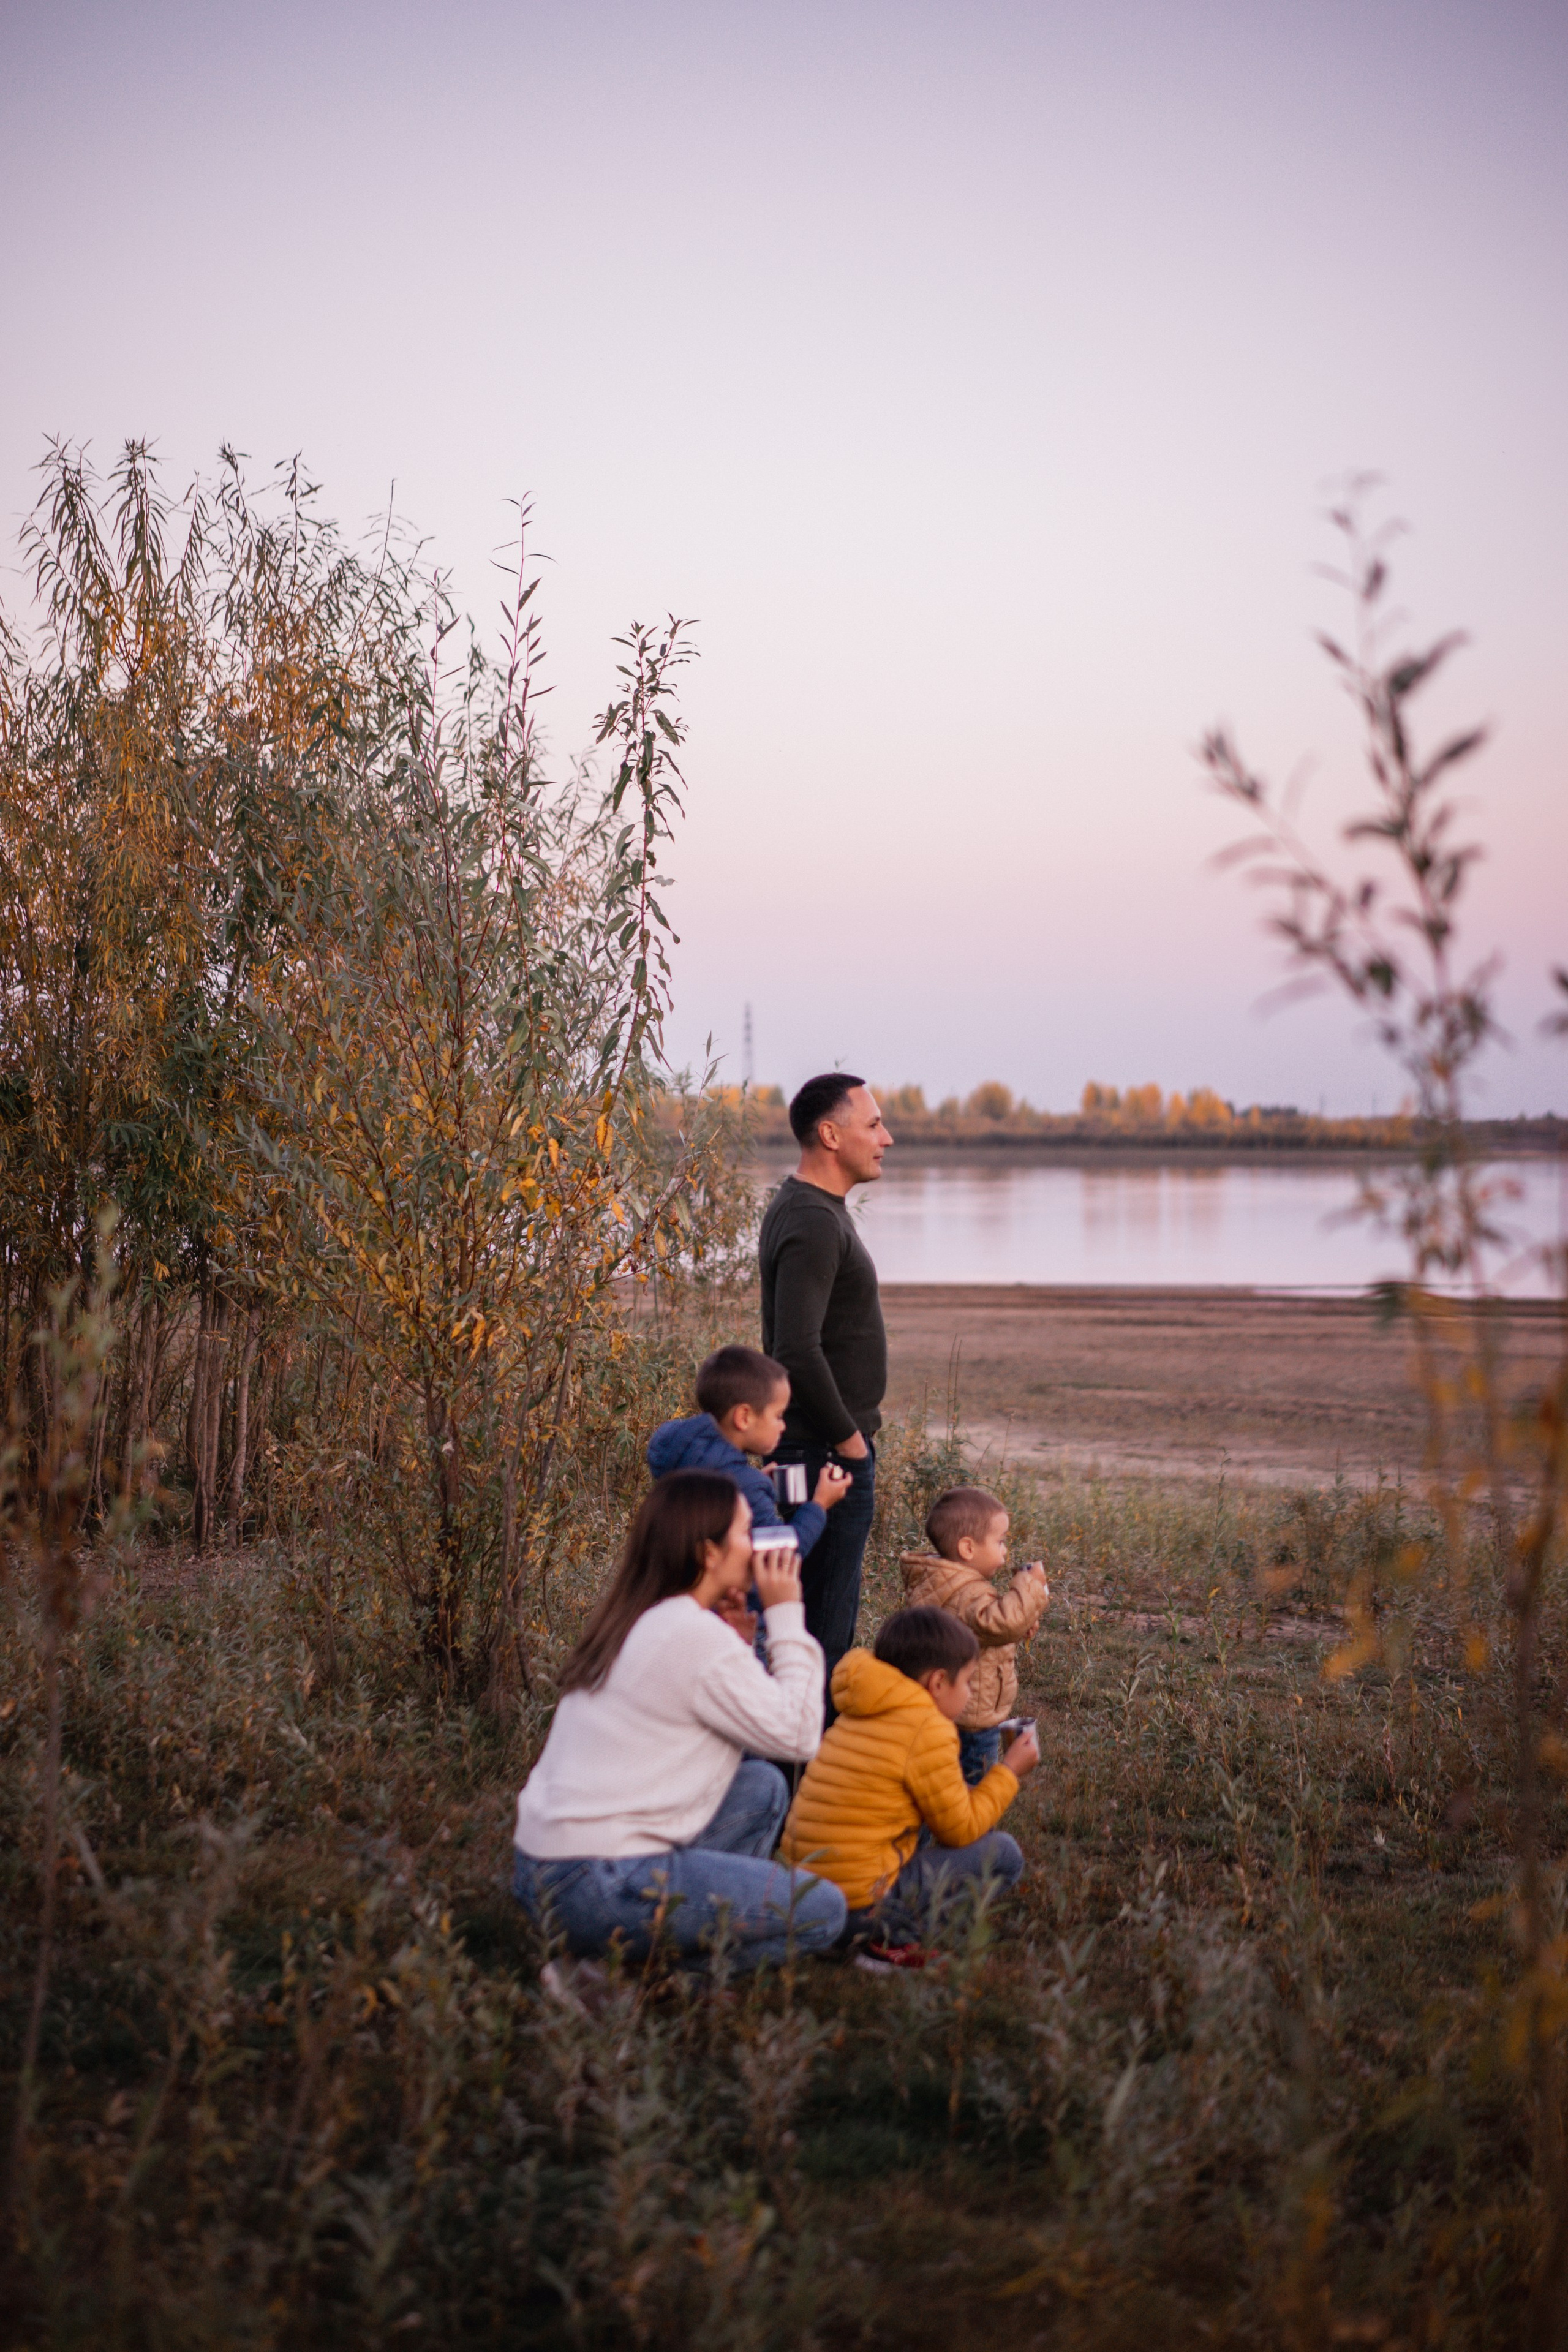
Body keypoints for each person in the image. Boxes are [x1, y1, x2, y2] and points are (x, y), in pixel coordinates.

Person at [511, 1471, 847, 1983]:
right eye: (745, 1531)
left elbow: (739, 1721)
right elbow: (799, 1736)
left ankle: (612, 1954)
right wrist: (786, 1615)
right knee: (823, 1910)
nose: (757, 1543)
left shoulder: (648, 1617)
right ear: (709, 1553)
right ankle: (628, 1978)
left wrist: (739, 1644)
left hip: (548, 1871)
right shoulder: (692, 1635)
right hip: (599, 1881)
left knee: (762, 1788)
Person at [779, 1604, 1039, 1969]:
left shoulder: (862, 1709)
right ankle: (892, 1941)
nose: (969, 1693)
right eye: (967, 1682)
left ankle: (851, 1934)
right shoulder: (926, 1728)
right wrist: (1009, 1772)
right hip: (859, 1908)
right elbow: (960, 1830)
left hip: (800, 1897)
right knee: (1004, 1854)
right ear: (938, 1683)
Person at [759, 1073, 893, 1697]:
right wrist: (850, 1441)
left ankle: (797, 1751)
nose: (886, 1139)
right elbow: (796, 1349)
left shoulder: (813, 1210)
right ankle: (804, 1758)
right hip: (824, 1455)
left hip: (819, 1450)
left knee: (811, 1630)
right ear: (830, 1135)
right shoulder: (812, 1220)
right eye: (874, 1125)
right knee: (820, 1640)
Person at [645, 1344, 850, 1574]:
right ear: (744, 1417)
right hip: (729, 1594)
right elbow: (781, 1554)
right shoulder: (744, 1485)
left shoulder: (684, 1454)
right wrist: (820, 1505)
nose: (783, 1426)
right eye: (778, 1416)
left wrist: (752, 1485)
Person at [898, 1486, 1050, 1785]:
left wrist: (1021, 1624)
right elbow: (1002, 1623)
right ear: (968, 1549)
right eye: (1000, 1542)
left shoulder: (943, 1582)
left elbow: (982, 1632)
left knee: (938, 1782)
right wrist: (1031, 1586)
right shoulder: (969, 1593)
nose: (1005, 1551)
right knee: (973, 1787)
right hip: (972, 1719)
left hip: (942, 1708)